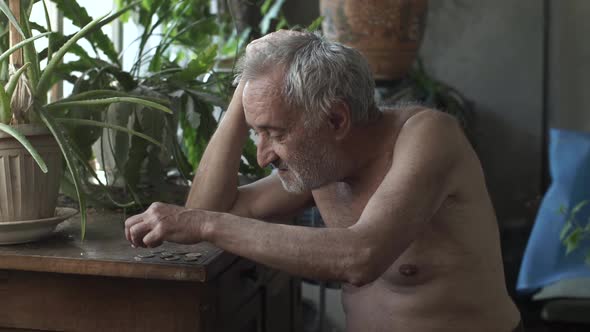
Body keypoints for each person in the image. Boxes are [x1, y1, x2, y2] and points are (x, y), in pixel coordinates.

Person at [125, 30, 522, 332]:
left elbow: (360, 256)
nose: (264, 155)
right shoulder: (321, 163)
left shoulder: (429, 138)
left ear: (335, 120)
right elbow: (206, 208)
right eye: (257, 133)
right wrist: (246, 94)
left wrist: (204, 224)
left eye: (277, 135)